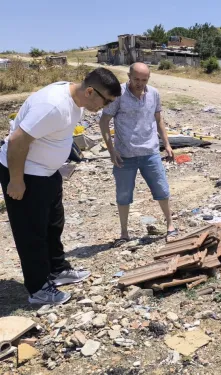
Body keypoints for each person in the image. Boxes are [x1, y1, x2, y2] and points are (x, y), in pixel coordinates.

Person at [0, 68, 122, 305]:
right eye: (105, 101)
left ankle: (57, 270)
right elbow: (17, 141)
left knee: (53, 224)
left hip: (46, 173)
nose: (105, 107)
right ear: (90, 91)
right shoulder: (53, 106)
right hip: (25, 173)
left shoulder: (74, 99)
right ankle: (38, 289)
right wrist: (16, 181)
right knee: (31, 232)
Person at [99, 62, 176, 247]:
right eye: (136, 79)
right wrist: (111, 151)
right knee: (123, 195)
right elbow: (104, 121)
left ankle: (171, 226)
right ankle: (124, 233)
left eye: (144, 79)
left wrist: (166, 143)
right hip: (124, 155)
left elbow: (158, 119)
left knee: (162, 190)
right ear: (128, 76)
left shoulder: (154, 94)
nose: (140, 83)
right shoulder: (118, 95)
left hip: (150, 152)